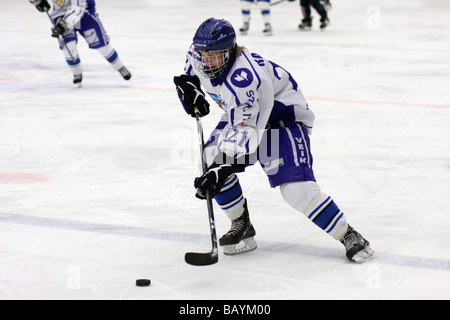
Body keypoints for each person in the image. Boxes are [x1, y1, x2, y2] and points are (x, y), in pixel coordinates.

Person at [173, 18, 375, 263]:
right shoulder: (200, 55)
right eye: (203, 54)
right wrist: (188, 86)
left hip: (281, 117)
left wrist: (222, 166)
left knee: (296, 190)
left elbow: (247, 132)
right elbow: (190, 71)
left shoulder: (245, 79)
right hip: (244, 115)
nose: (206, 61)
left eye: (213, 55)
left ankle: (349, 235)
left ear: (229, 51)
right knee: (209, 161)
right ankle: (241, 224)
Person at [29, 0, 131, 87]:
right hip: (60, 13)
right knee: (69, 46)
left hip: (84, 12)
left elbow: (78, 8)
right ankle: (76, 72)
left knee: (100, 44)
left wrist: (63, 25)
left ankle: (119, 66)